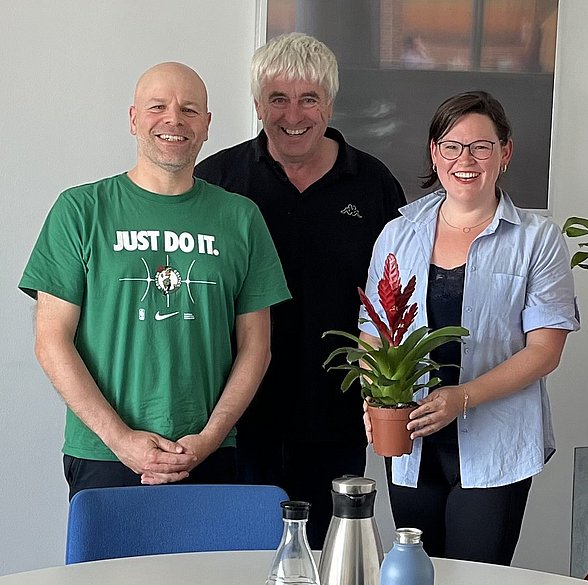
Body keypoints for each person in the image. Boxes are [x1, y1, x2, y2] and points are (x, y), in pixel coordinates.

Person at [19, 62, 290, 499]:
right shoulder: (80, 210)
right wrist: (121, 439)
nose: (173, 120)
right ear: (132, 119)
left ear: (206, 126)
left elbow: (256, 347)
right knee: (108, 571)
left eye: (188, 109)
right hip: (104, 453)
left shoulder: (241, 218)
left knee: (204, 571)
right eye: (157, 106)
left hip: (208, 452)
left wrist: (208, 438)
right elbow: (50, 340)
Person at [195, 32, 407, 547]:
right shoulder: (218, 179)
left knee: (328, 556)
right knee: (240, 557)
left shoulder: (372, 183)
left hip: (337, 416)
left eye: (309, 98)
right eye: (278, 99)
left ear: (329, 103)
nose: (294, 114)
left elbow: (399, 298)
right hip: (234, 416)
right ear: (257, 104)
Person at [358, 91, 578, 564]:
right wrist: (373, 399)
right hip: (411, 440)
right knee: (416, 569)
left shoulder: (537, 238)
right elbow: (372, 334)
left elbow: (545, 351)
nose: (466, 160)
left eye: (482, 146)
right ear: (435, 154)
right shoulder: (398, 233)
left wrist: (462, 397)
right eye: (452, 146)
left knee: (478, 574)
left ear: (505, 154)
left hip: (497, 441)